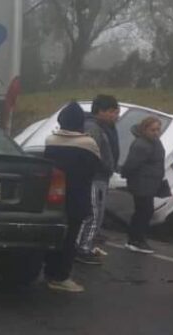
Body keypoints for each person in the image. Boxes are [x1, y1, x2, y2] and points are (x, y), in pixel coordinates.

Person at [42, 102, 105, 293]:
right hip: (77, 196)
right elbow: (94, 169)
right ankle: (61, 276)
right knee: (70, 238)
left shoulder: (51, 140)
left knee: (55, 236)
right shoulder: (87, 144)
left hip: (54, 196)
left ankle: (49, 272)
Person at [76, 94, 120, 265]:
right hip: (95, 177)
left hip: (101, 177)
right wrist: (103, 167)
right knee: (93, 214)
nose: (115, 116)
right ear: (100, 111)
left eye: (116, 112)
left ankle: (84, 245)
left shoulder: (106, 127)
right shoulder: (93, 127)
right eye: (111, 112)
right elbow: (92, 153)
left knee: (96, 214)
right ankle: (82, 248)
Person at [120, 116, 165, 254]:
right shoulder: (141, 145)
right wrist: (125, 174)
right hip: (141, 183)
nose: (156, 132)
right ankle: (136, 240)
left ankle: (136, 239)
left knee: (144, 211)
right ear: (144, 129)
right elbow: (131, 164)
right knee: (144, 211)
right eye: (153, 130)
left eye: (158, 129)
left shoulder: (155, 142)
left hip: (150, 182)